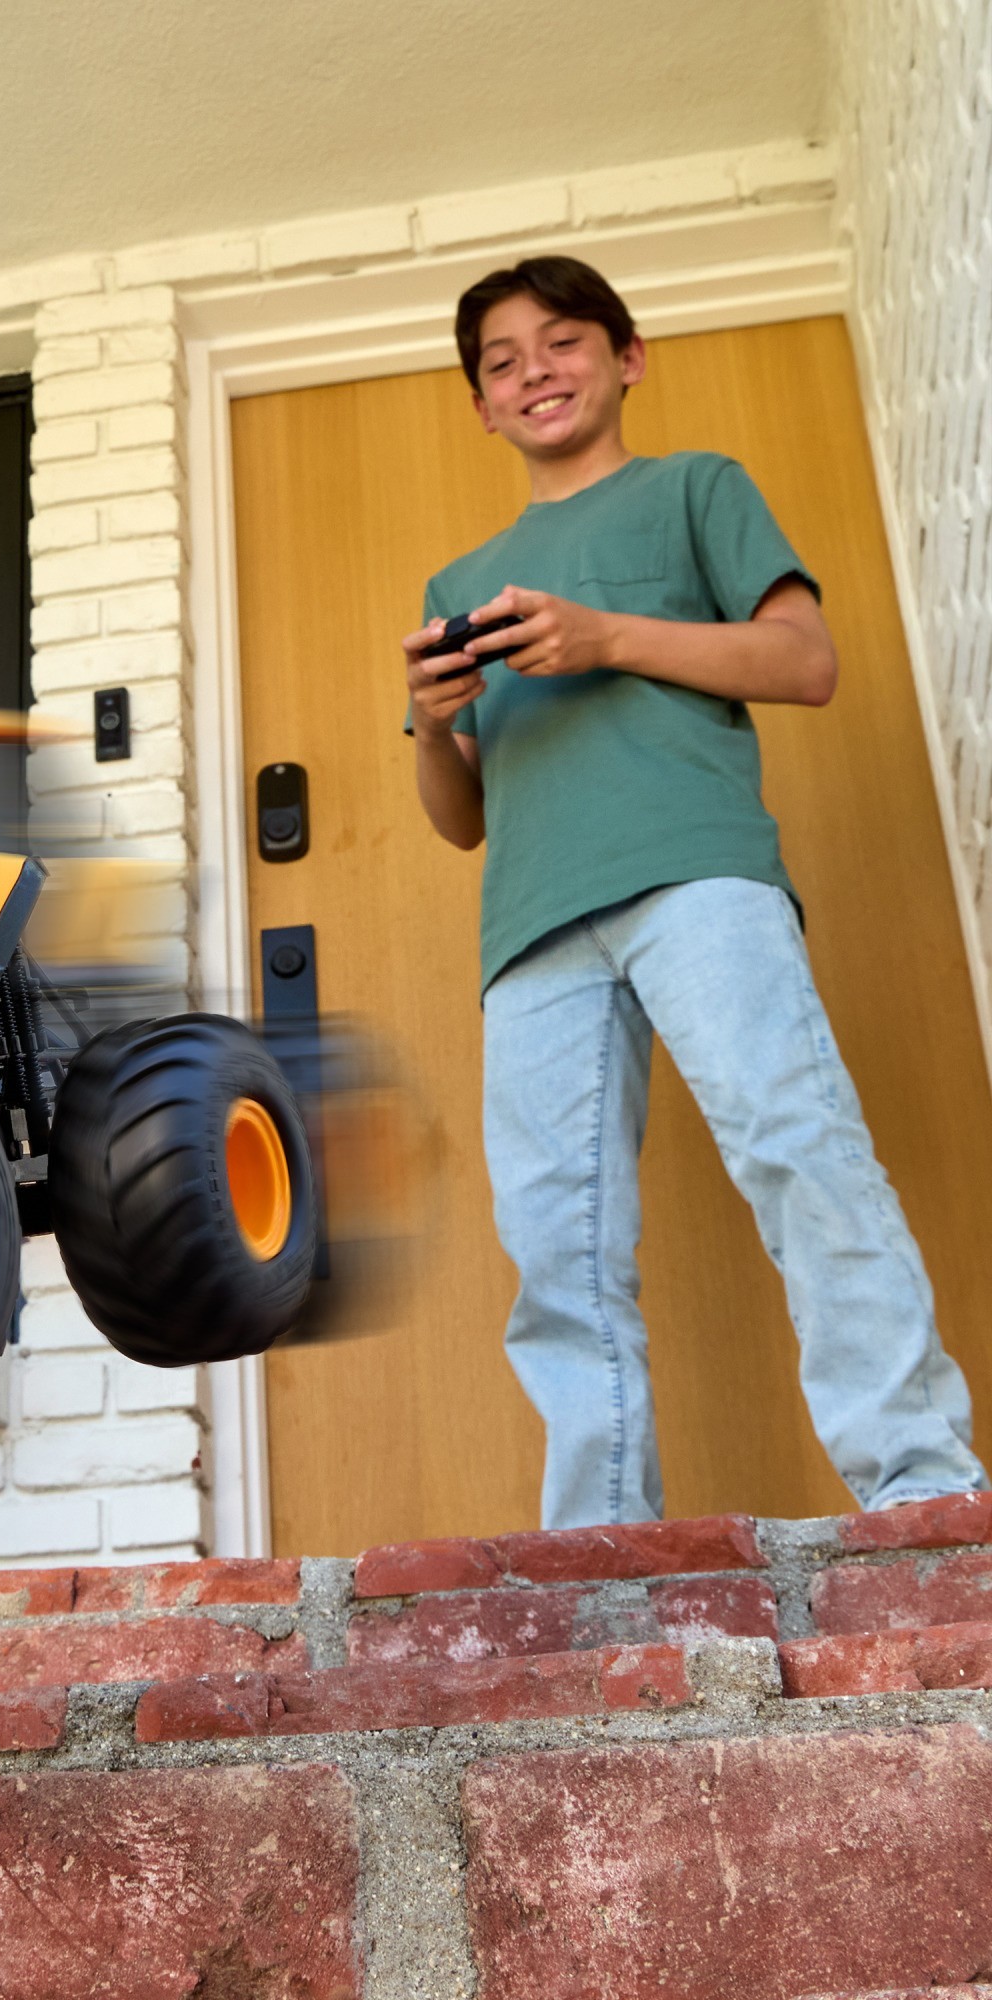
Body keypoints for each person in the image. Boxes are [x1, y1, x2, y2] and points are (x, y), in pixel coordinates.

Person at [402, 253, 987, 1529]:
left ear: (627, 357)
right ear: (479, 408)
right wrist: (430, 720)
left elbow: (804, 661)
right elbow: (458, 819)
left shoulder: (695, 489)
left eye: (561, 341)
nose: (532, 372)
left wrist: (603, 636)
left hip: (697, 875)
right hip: (529, 934)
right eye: (500, 363)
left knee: (794, 1146)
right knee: (555, 1250)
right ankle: (598, 1541)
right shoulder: (459, 585)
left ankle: (922, 1486)